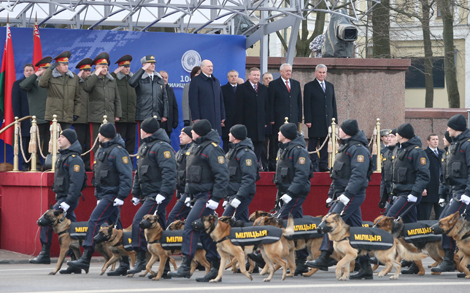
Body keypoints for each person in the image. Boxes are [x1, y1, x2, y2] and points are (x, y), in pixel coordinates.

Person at [306, 119, 372, 279]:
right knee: (357, 230)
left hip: (351, 194)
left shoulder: (358, 150)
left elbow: (358, 175)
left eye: (341, 129)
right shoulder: (346, 147)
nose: (338, 131)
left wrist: (347, 195)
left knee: (329, 223)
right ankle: (366, 266)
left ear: (347, 131)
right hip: (342, 193)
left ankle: (324, 256)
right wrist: (331, 194)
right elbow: (337, 175)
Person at [66, 123, 132, 274]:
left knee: (94, 221)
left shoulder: (118, 152)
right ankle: (124, 263)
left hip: (113, 194)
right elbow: (98, 175)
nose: (98, 136)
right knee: (117, 228)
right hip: (105, 194)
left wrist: (121, 196)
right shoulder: (102, 150)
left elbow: (126, 175)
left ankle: (86, 257)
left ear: (104, 134)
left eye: (100, 133)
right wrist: (98, 195)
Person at [168, 119, 229, 282]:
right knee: (203, 231)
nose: (190, 133)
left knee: (190, 226)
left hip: (207, 195)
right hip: (197, 195)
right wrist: (188, 194)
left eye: (193, 131)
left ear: (199, 132)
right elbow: (190, 174)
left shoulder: (212, 149)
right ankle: (215, 267)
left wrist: (216, 198)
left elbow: (222, 175)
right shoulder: (196, 147)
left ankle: (186, 266)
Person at [29, 129, 85, 270]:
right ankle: (75, 259)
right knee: (72, 228)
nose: (59, 139)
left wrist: (68, 202)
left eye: (62, 137)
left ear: (69, 140)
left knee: (46, 219)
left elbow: (76, 183)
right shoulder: (62, 156)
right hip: (61, 197)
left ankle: (45, 253)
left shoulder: (74, 159)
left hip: (67, 199)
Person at [128, 117, 176, 276]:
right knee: (162, 228)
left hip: (157, 194)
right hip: (148, 193)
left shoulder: (162, 148)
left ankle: (141, 259)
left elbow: (169, 173)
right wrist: (136, 193)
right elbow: (139, 173)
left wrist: (163, 193)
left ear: (145, 131)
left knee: (139, 222)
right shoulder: (145, 147)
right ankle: (166, 264)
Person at [431, 114, 470, 275]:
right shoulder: (456, 144)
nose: (447, 130)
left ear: (455, 128)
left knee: (446, 224)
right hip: (455, 192)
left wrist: (467, 192)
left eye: (449, 127)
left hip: (463, 193)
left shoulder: (466, 145)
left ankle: (449, 260)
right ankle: (454, 260)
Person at [272, 122, 312, 275]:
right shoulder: (285, 149)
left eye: (280, 132)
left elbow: (302, 175)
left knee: (279, 220)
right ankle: (301, 260)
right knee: (297, 224)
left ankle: (277, 255)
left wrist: (290, 193)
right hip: (286, 191)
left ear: (286, 135)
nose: (278, 134)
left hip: (295, 193)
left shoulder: (298, 151)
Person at [386, 123, 430, 224]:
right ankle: (414, 240)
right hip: (398, 193)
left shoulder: (417, 152)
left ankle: (388, 240)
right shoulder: (398, 149)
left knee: (389, 219)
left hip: (408, 194)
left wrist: (414, 193)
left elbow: (423, 175)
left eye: (396, 134)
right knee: (409, 223)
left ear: (401, 136)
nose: (394, 135)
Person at [84, 52, 122, 162]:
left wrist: (117, 114)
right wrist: (96, 74)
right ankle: (95, 164)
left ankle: (107, 164)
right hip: (96, 115)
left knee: (110, 141)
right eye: (102, 67)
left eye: (106, 67)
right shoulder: (90, 78)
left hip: (109, 116)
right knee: (95, 142)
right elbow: (87, 88)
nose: (104, 69)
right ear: (96, 67)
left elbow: (117, 98)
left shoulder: (111, 80)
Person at [267, 63, 302, 171]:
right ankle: (273, 163)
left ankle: (291, 162)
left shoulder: (296, 84)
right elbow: (270, 103)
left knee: (292, 141)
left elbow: (298, 102)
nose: (288, 73)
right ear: (281, 72)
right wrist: (271, 118)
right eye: (286, 71)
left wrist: (299, 118)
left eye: (290, 71)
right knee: (275, 141)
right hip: (278, 119)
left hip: (293, 119)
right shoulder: (273, 84)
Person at [303, 64, 337, 172]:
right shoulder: (309, 86)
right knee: (313, 143)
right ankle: (313, 164)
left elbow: (333, 103)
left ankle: (323, 164)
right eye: (320, 72)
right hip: (314, 120)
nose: (322, 74)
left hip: (327, 120)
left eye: (324, 72)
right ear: (315, 73)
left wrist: (334, 119)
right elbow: (307, 104)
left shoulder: (330, 85)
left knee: (325, 142)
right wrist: (308, 120)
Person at [222, 125, 258, 222]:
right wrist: (226, 197)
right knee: (241, 221)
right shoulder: (232, 152)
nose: (228, 134)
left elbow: (249, 177)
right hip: (233, 193)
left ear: (235, 136)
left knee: (223, 222)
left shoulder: (246, 154)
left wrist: (239, 197)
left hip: (241, 194)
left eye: (231, 133)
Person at [20, 58, 51, 169]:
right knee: (36, 143)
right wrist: (36, 74)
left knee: (49, 144)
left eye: (48, 69)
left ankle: (48, 165)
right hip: (38, 117)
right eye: (44, 69)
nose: (47, 71)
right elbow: (23, 85)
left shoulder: (51, 81)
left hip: (51, 117)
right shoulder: (33, 82)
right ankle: (36, 165)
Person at [235, 67, 269, 169]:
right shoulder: (242, 88)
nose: (256, 77)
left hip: (260, 123)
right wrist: (239, 124)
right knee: (248, 144)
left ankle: (256, 164)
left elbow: (267, 106)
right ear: (249, 76)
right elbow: (238, 107)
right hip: (247, 123)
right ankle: (247, 164)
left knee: (260, 144)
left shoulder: (264, 89)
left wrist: (266, 120)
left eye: (258, 75)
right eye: (254, 75)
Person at [38, 51, 80, 129]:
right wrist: (49, 69)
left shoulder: (73, 78)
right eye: (63, 65)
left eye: (67, 64)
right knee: (54, 139)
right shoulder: (50, 76)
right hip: (54, 116)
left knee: (66, 139)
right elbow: (42, 83)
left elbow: (78, 97)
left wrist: (76, 113)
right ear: (57, 66)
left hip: (68, 115)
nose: (66, 67)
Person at [188, 60, 225, 136]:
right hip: (203, 118)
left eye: (212, 66)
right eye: (208, 66)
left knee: (215, 140)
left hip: (216, 119)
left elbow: (220, 100)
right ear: (202, 67)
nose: (211, 68)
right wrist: (196, 118)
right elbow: (193, 101)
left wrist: (222, 116)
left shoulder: (216, 81)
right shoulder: (196, 80)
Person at [166, 126, 194, 226]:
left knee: (173, 216)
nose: (180, 136)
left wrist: (188, 194)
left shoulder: (193, 152)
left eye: (184, 134)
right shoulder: (179, 152)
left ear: (191, 137)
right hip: (183, 192)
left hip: (190, 193)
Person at [128, 55, 168, 123]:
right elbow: (131, 82)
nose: (153, 65)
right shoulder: (140, 77)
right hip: (143, 115)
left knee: (155, 134)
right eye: (150, 63)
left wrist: (164, 115)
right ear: (144, 65)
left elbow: (164, 97)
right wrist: (142, 69)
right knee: (144, 133)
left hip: (156, 115)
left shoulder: (158, 78)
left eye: (154, 64)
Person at [112, 55, 137, 157]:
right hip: (120, 116)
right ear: (120, 67)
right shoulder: (116, 79)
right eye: (124, 66)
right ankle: (120, 162)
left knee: (131, 141)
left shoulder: (133, 79)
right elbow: (109, 78)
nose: (127, 69)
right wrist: (116, 71)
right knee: (119, 141)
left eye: (128, 66)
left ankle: (129, 165)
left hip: (132, 116)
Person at [72, 58, 93, 171]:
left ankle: (89, 164)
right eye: (85, 70)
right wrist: (78, 76)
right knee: (79, 142)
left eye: (89, 70)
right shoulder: (76, 82)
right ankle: (78, 164)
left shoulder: (92, 82)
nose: (88, 73)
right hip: (79, 118)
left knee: (90, 143)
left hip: (91, 117)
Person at [418, 133, 444, 220]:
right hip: (428, 188)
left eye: (437, 139)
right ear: (428, 141)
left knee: (441, 216)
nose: (436, 141)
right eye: (433, 139)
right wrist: (423, 187)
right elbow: (421, 171)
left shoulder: (442, 153)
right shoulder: (424, 153)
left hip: (440, 189)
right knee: (424, 215)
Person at [12, 63, 33, 171]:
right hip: (24, 118)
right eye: (27, 70)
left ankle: (35, 164)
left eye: (31, 70)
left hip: (36, 118)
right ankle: (25, 164)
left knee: (36, 141)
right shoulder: (18, 84)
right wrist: (17, 117)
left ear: (34, 72)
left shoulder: (37, 84)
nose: (29, 72)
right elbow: (15, 103)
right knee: (25, 141)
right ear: (24, 72)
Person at [378, 129, 398, 213]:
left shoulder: (400, 152)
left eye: (391, 137)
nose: (389, 139)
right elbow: (384, 177)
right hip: (389, 191)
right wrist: (383, 195)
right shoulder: (386, 153)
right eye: (387, 137)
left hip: (398, 192)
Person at [221, 70, 239, 153]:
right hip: (227, 121)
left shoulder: (242, 88)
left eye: (235, 76)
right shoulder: (222, 89)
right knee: (227, 142)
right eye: (231, 76)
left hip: (239, 121)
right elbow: (221, 105)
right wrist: (222, 119)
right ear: (228, 78)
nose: (234, 77)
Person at [159, 70, 179, 139]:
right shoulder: (155, 89)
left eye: (166, 78)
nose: (164, 79)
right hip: (158, 123)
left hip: (168, 123)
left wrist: (175, 121)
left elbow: (174, 106)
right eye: (162, 77)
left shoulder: (170, 90)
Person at [261, 72, 273, 170]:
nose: (268, 80)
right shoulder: (261, 90)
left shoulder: (276, 89)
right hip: (264, 121)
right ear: (262, 80)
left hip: (274, 121)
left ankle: (272, 162)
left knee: (274, 144)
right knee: (263, 145)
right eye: (266, 78)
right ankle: (264, 164)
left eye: (270, 78)